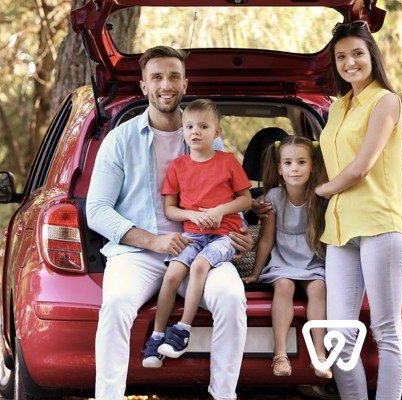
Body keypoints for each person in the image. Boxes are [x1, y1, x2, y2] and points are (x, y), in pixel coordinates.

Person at [86, 46, 254, 400]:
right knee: (116, 304)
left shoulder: (206, 135)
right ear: (144, 86)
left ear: (185, 83)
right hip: (138, 253)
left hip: (202, 245)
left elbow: (226, 199)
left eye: (174, 76)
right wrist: (153, 241)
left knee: (230, 295)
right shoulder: (121, 139)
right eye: (157, 77)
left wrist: (240, 235)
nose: (166, 84)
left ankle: (223, 395)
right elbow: (97, 210)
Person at [314, 21, 402, 399]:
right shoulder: (338, 107)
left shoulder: (386, 100)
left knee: (386, 330)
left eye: (357, 53)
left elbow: (360, 167)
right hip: (339, 231)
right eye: (341, 56)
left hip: (379, 226)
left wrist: (320, 190)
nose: (349, 62)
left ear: (372, 55)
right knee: (340, 334)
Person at [140, 99, 252, 367]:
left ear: (217, 132)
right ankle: (156, 337)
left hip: (225, 236)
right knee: (173, 275)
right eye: (189, 126)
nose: (195, 132)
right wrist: (191, 214)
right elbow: (170, 209)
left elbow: (246, 199)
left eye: (203, 126)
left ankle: (182, 330)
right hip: (193, 235)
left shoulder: (227, 161)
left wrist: (220, 210)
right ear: (182, 130)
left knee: (200, 265)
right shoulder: (177, 167)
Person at [241, 136, 331, 379]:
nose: (295, 168)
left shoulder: (320, 197)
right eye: (288, 163)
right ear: (280, 169)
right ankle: (280, 355)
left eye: (302, 162)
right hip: (282, 262)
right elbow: (267, 240)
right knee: (283, 285)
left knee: (318, 288)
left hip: (311, 261)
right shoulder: (273, 198)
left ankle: (320, 355)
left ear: (313, 166)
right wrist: (256, 273)